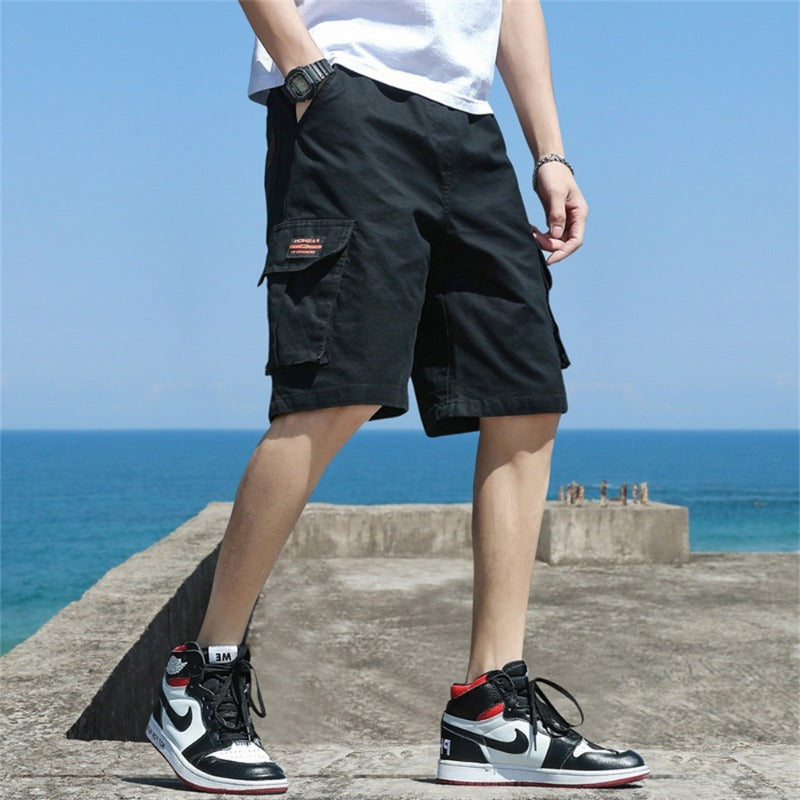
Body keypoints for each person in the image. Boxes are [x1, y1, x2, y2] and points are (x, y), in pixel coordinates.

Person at [144, 0, 649, 793]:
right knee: (333, 390)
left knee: (523, 392)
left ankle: (490, 710)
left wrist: (549, 152)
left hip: (470, 124)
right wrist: (305, 73)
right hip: (348, 97)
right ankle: (200, 680)